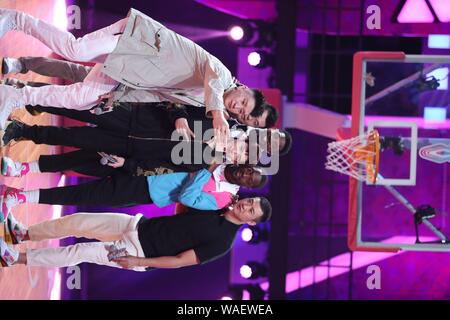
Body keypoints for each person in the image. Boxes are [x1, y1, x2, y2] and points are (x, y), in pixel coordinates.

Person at [0, 8, 271, 142]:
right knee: (73, 48)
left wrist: (118, 95)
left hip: (129, 71)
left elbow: (157, 93)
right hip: (135, 42)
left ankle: (14, 96)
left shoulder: (206, 102)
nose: (236, 108)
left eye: (242, 114)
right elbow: (212, 80)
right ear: (244, 88)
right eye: (244, 103)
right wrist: (217, 113)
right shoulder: (222, 76)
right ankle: (14, 19)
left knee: (81, 99)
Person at [0, 56, 278, 129]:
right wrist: (181, 117)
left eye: (249, 120)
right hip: (139, 76)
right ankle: (23, 65)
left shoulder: (224, 127)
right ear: (249, 96)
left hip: (140, 105)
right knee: (76, 72)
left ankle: (22, 89)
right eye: (249, 112)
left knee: (76, 99)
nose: (244, 115)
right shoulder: (224, 85)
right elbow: (182, 103)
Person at [0, 197, 272, 271]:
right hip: (136, 225)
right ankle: (22, 234)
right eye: (250, 201)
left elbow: (179, 261)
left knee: (80, 251)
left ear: (250, 223)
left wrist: (138, 262)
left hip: (136, 253)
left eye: (251, 211)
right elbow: (181, 211)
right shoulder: (215, 207)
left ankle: (16, 259)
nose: (246, 205)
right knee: (78, 221)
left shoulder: (223, 242)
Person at [0, 164, 267, 221]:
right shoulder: (218, 154)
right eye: (248, 170)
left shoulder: (222, 199)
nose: (245, 175)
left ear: (247, 186)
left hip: (146, 189)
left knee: (84, 195)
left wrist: (204, 174)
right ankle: (22, 167)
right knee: (82, 160)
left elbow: (186, 198)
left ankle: (20, 196)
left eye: (250, 181)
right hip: (140, 161)